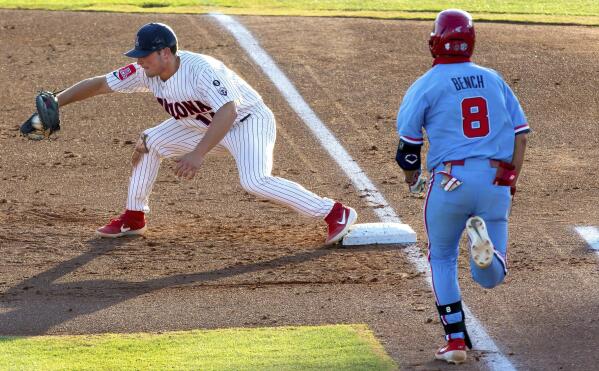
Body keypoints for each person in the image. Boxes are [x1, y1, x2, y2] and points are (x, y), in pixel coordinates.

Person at [41, 22, 357, 244]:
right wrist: (58, 100)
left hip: (246, 123)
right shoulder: (145, 72)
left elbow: (228, 111)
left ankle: (335, 212)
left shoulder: (202, 70)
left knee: (254, 181)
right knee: (150, 142)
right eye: (138, 55)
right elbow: (99, 84)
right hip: (200, 125)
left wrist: (197, 154)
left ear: (166, 53)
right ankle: (134, 217)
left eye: (145, 55)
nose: (139, 61)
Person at [395, 9, 529, 364]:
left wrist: (413, 180)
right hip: (494, 180)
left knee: (440, 256)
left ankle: (455, 341)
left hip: (450, 181)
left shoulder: (426, 84)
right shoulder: (493, 78)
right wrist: (509, 178)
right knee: (489, 277)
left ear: (435, 40)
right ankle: (482, 249)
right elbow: (521, 135)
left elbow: (408, 150)